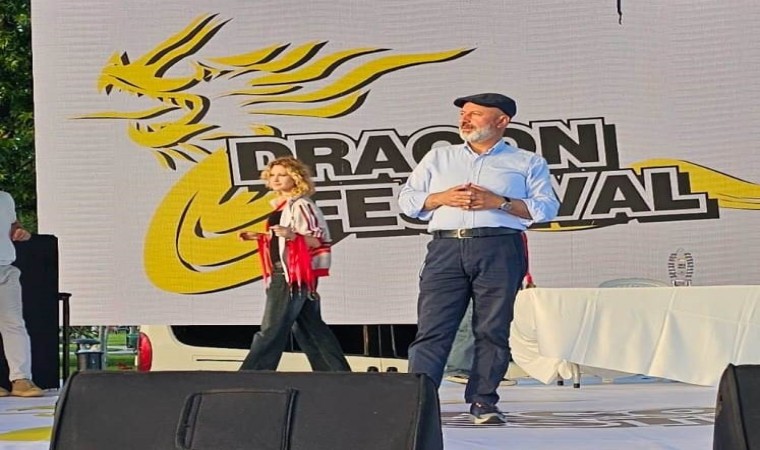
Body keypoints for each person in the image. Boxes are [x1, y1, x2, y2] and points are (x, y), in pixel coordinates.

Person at [398, 93, 559, 424]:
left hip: (499, 247)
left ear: (502, 121)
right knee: (432, 329)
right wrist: (440, 197)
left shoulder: (527, 162)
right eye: (463, 114)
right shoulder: (439, 157)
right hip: (446, 248)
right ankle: (417, 403)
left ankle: (483, 402)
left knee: (492, 329)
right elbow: (408, 201)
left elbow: (546, 208)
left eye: (475, 114)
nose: (465, 119)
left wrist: (499, 202)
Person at [238, 157, 351, 372]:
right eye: (272, 175)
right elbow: (285, 240)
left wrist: (290, 235)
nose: (276, 179)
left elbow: (316, 240)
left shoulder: (301, 205)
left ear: (295, 178)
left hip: (291, 274)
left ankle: (252, 374)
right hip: (290, 272)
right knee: (310, 327)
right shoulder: (284, 205)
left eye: (282, 174)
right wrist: (262, 237)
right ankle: (336, 374)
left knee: (272, 328)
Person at [0, 191, 44, 397]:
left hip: (5, 267)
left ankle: (21, 379)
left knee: (14, 323)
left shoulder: (5, 198)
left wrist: (19, 232)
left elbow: (12, 225)